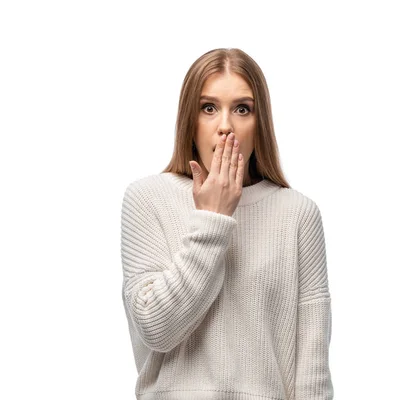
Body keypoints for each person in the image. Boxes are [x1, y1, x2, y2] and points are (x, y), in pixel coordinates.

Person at [120, 48, 334, 400]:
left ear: (259, 122)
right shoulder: (147, 198)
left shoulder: (298, 213)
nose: (225, 126)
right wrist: (213, 218)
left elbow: (312, 370)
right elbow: (156, 329)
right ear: (190, 120)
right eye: (208, 108)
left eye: (242, 109)